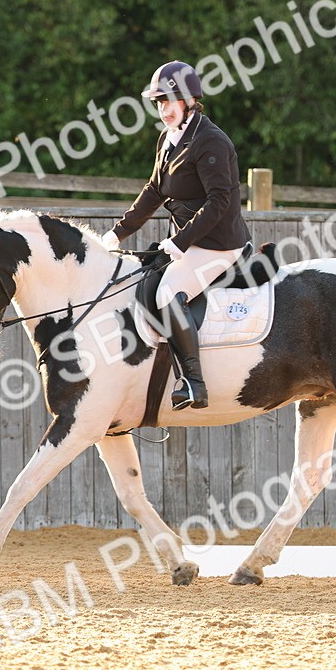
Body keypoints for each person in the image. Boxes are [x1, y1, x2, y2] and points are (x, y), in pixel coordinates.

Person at [103, 61, 252, 410]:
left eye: (169, 102)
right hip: (188, 243)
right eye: (159, 103)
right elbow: (154, 190)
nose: (163, 110)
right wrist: (117, 233)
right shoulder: (169, 138)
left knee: (169, 292)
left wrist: (181, 241)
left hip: (218, 245)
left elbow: (219, 202)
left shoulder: (210, 141)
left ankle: (194, 383)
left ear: (189, 100)